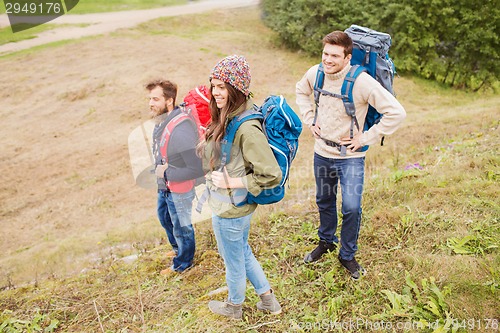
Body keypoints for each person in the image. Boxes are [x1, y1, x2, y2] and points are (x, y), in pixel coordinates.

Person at [296, 31, 406, 280]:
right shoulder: (316, 73)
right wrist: (309, 119)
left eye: (335, 55)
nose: (328, 60)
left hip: (350, 158)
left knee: (352, 207)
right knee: (324, 201)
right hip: (322, 153)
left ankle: (347, 255)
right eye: (325, 54)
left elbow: (396, 112)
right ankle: (326, 242)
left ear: (348, 58)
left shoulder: (362, 82)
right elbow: (301, 91)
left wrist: (365, 138)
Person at [199, 55, 283, 319]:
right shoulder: (232, 115)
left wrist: (231, 182)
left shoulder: (247, 127)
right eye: (213, 85)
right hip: (229, 204)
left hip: (232, 208)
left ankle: (234, 307)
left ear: (236, 89)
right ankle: (268, 300)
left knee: (233, 261)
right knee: (241, 253)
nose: (215, 92)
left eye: (222, 87)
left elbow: (271, 174)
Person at [146, 79, 203, 276]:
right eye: (150, 99)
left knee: (182, 227)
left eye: (155, 99)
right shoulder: (163, 122)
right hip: (166, 186)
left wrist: (167, 173)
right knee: (165, 218)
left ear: (169, 101)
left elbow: (197, 169)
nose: (150, 103)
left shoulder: (181, 130)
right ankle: (179, 250)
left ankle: (183, 263)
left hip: (180, 189)